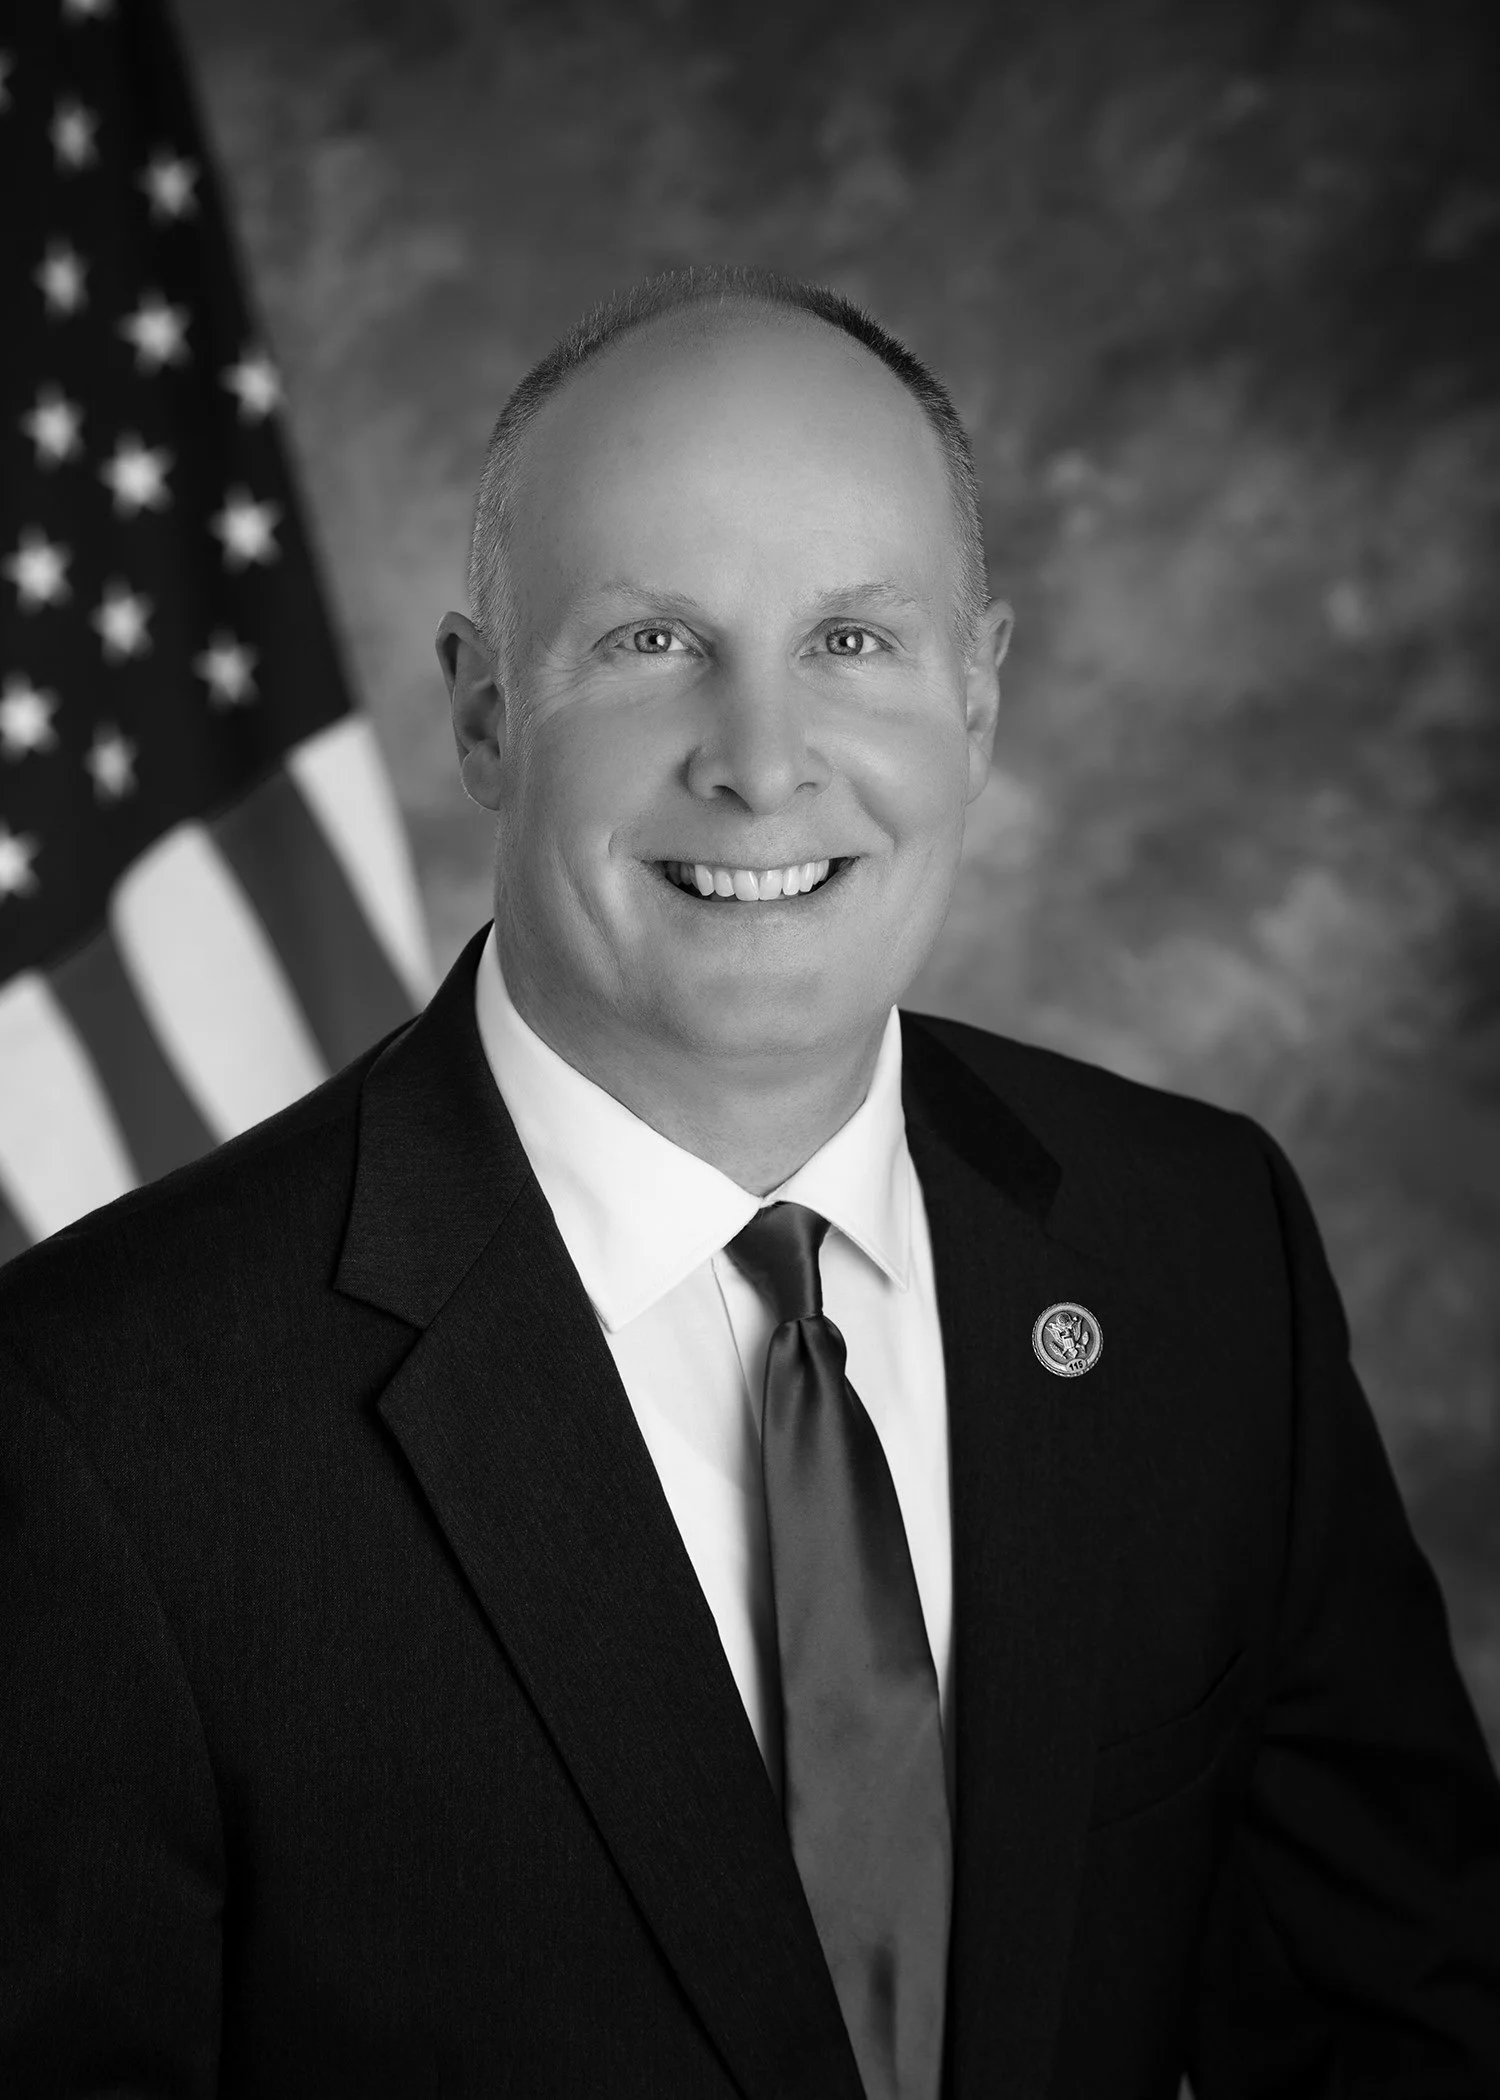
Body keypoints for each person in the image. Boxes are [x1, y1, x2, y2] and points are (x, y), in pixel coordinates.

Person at [2, 266, 1498, 2100]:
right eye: (651, 644)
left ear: (980, 698)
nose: (766, 760)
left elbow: (1407, 2028)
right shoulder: (102, 1422)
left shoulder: (1199, 1252)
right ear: (483, 715)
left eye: (854, 643)